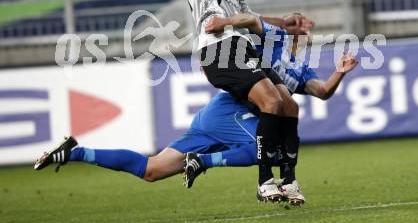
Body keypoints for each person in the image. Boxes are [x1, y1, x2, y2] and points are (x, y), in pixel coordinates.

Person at [33, 14, 358, 206]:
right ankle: (203, 161)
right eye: (295, 27)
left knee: (152, 170)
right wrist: (282, 21)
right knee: (271, 150)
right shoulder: (264, 44)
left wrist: (341, 71)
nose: (298, 32)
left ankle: (75, 152)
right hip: (228, 111)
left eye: (302, 29)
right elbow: (248, 20)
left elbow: (323, 92)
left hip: (215, 118)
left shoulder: (299, 69)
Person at [149, 0, 303, 202]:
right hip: (218, 50)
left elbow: (246, 13)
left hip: (240, 47)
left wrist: (283, 23)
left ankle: (288, 180)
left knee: (288, 104)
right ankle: (264, 181)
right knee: (271, 102)